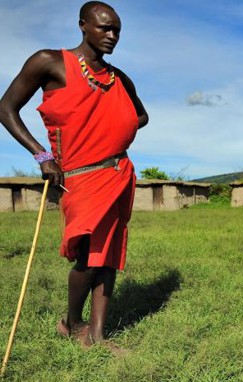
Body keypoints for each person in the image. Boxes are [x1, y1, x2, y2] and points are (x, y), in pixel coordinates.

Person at [0, 1, 148, 349]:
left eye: (117, 30)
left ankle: (96, 336)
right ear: (83, 25)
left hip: (117, 172)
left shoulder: (119, 78)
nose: (112, 35)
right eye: (104, 27)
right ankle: (71, 322)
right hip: (79, 176)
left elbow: (140, 116)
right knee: (86, 256)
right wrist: (43, 155)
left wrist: (108, 131)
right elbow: (6, 108)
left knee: (108, 255)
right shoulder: (49, 61)